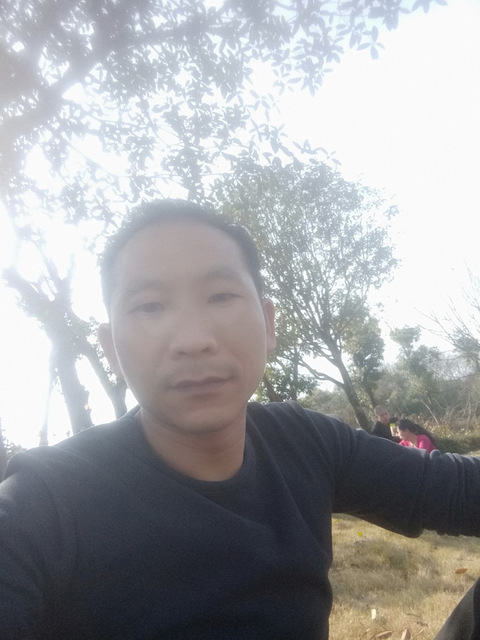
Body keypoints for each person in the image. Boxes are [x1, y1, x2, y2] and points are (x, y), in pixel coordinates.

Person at [1, 199, 480, 640]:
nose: (193, 340)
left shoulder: (305, 442)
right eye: (150, 306)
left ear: (268, 324)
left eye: (220, 296)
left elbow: (454, 489)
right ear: (110, 349)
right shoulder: (46, 502)